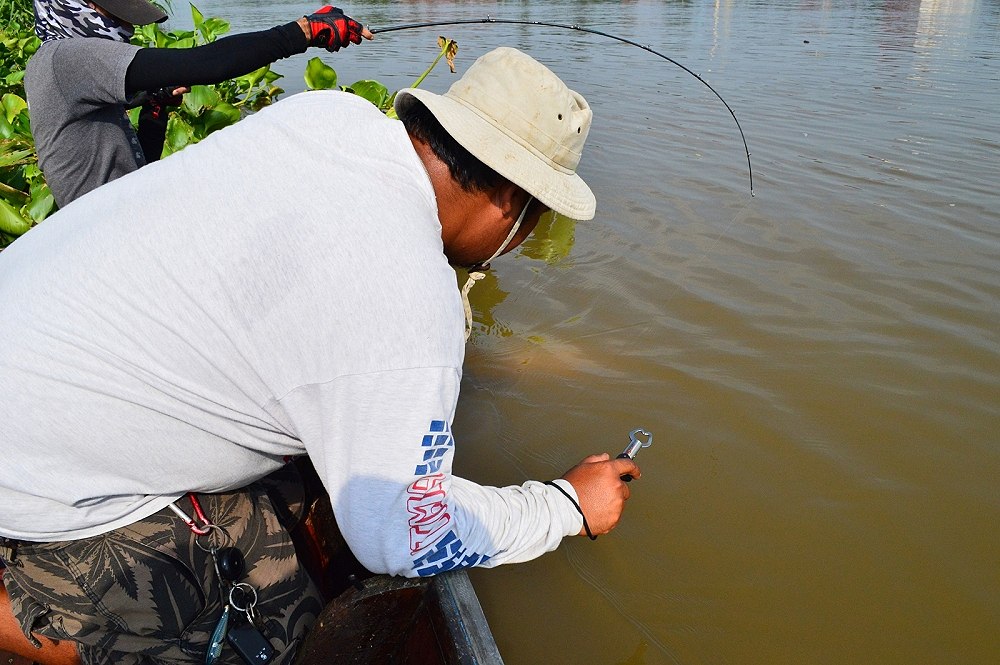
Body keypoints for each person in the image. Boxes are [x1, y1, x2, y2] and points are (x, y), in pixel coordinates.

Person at [0, 47, 641, 664]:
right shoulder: (410, 292)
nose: (527, 238)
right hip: (24, 466)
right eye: (536, 218)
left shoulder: (327, 116)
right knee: (265, 625)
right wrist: (564, 505)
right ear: (509, 201)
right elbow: (404, 536)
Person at [25, 0, 373, 207]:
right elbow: (206, 64)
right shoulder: (67, 56)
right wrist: (301, 32)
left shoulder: (60, 62)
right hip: (106, 248)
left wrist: (155, 113)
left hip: (118, 226)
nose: (126, 25)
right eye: (114, 13)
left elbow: (129, 175)